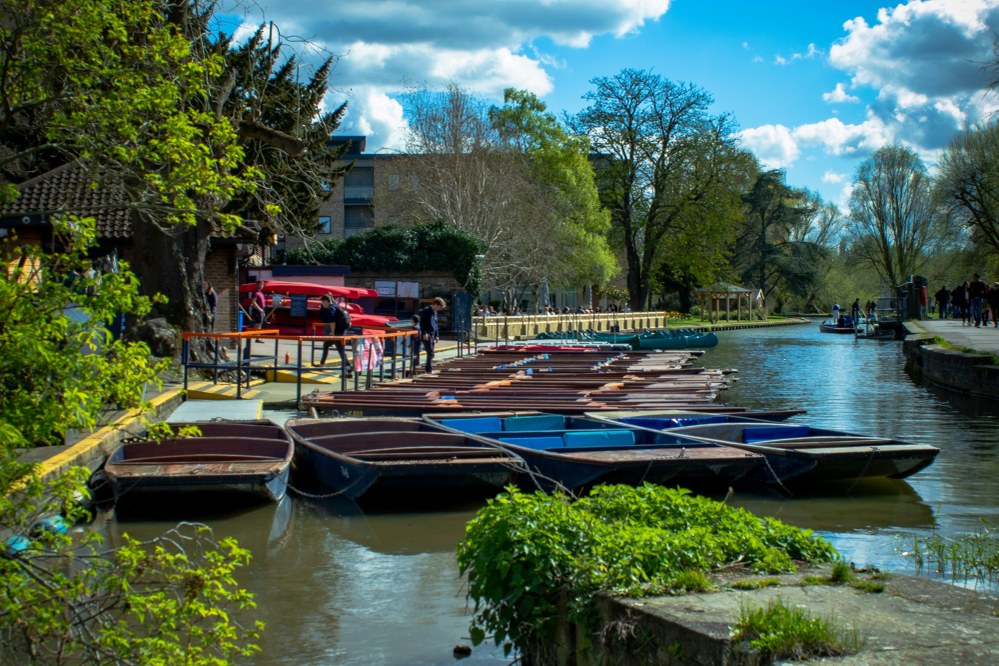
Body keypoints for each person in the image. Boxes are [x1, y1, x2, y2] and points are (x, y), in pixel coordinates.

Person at [316, 294, 352, 375]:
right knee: (326, 345)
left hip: (337, 332)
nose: (322, 304)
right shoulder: (336, 306)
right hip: (342, 330)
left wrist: (332, 333)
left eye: (322, 302)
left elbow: (332, 322)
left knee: (341, 350)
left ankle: (349, 369)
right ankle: (322, 364)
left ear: (326, 301)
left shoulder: (331, 308)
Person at [419, 296, 446, 373]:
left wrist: (437, 335)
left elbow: (436, 324)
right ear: (436, 304)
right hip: (427, 333)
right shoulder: (426, 311)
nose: (439, 309)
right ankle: (428, 369)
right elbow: (422, 323)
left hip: (432, 334)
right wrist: (424, 333)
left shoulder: (435, 312)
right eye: (439, 307)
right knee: (430, 352)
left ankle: (428, 368)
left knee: (431, 353)